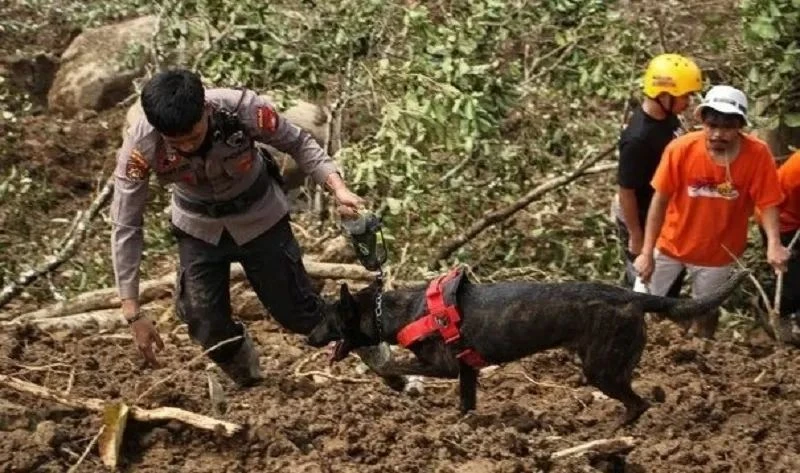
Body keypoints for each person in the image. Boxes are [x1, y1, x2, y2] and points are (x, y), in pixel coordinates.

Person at [110, 68, 382, 387]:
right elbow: (126, 222)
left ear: (205, 111)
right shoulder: (142, 145)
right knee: (204, 321)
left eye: (194, 136)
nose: (186, 147)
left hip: (260, 216)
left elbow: (299, 143)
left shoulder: (242, 110)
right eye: (176, 142)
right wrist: (132, 311)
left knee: (298, 312)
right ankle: (250, 383)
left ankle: (370, 341)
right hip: (198, 228)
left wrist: (337, 188)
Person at [633, 84, 791, 338]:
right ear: (702, 122)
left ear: (740, 126)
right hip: (670, 244)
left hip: (719, 252)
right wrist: (646, 252)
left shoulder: (757, 154)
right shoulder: (681, 149)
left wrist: (774, 243)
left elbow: (768, 202)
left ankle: (703, 357)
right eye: (712, 126)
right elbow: (659, 201)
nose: (718, 134)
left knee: (706, 311)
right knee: (636, 303)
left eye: (727, 127)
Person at [613, 53, 703, 296]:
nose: (689, 102)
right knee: (644, 278)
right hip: (641, 214)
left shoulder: (667, 116)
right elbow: (626, 191)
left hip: (664, 209)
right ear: (664, 95)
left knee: (670, 277)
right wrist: (636, 236)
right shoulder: (638, 140)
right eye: (685, 96)